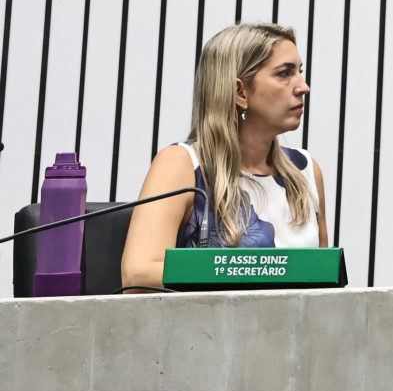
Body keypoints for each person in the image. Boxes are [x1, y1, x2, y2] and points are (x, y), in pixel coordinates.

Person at [121, 22, 329, 289]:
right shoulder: (181, 164)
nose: (303, 87)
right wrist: (265, 271)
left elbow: (326, 283)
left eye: (299, 72)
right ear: (240, 92)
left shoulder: (306, 171)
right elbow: (137, 274)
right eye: (284, 73)